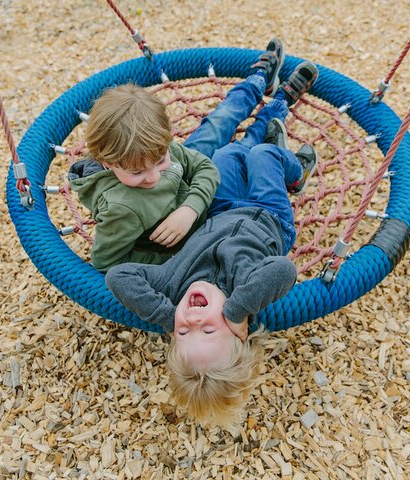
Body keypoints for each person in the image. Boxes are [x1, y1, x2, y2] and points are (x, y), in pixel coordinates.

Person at [105, 61, 320, 427]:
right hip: (269, 217)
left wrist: (164, 317)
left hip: (221, 208)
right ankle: (295, 171)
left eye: (183, 331)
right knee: (262, 155)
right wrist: (236, 310)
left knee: (224, 156)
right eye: (208, 329)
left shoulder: (170, 286)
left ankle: (277, 116)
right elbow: (283, 269)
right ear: (239, 330)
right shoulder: (243, 290)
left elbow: (118, 277)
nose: (192, 317)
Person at [68, 39, 287, 272]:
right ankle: (279, 107)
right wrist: (177, 260)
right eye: (137, 172)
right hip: (208, 222)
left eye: (159, 161)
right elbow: (107, 262)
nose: (152, 177)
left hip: (188, 185)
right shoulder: (121, 209)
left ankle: (258, 81)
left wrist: (189, 208)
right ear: (107, 164)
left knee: (217, 124)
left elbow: (203, 167)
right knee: (241, 152)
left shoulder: (154, 150)